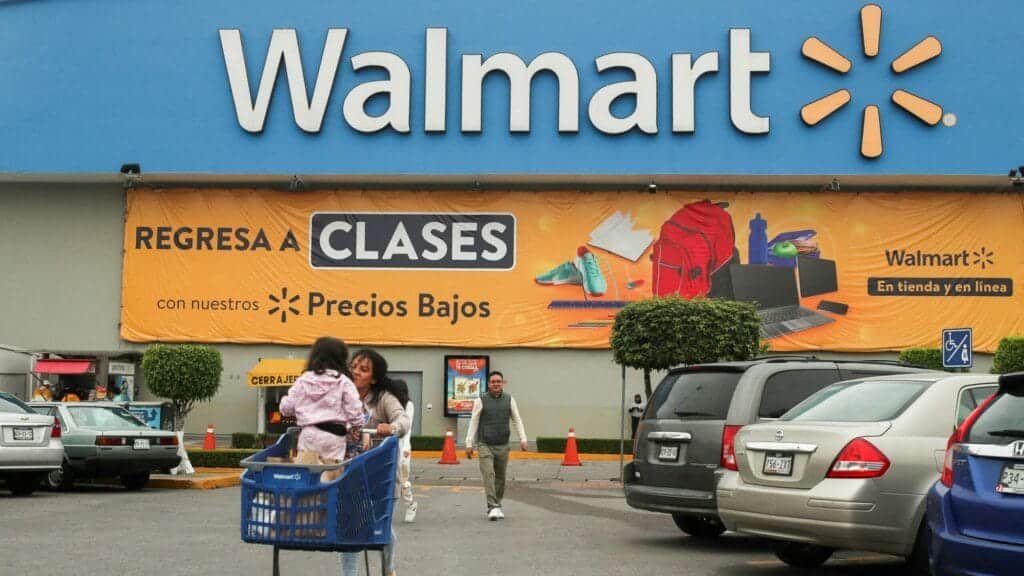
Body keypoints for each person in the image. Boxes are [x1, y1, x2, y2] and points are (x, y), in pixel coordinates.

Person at [341, 348, 410, 576]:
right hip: (351, 475)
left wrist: (392, 427)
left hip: (383, 478)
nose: (356, 372)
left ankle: (388, 569)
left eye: (363, 369)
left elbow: (403, 419)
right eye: (354, 367)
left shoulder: (383, 399)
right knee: (351, 527)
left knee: (381, 529)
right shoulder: (341, 394)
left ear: (374, 377)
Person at [278, 337, 365, 482]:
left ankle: (308, 501)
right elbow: (355, 413)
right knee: (331, 476)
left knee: (306, 478)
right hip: (334, 437)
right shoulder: (343, 381)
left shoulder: (304, 379)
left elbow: (286, 408)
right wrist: (356, 426)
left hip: (308, 435)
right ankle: (326, 500)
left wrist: (300, 408)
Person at [464, 370, 528, 521]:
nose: (496, 384)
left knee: (500, 477)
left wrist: (523, 438)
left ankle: (497, 504)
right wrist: (468, 442)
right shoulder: (481, 400)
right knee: (488, 474)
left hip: (503, 444)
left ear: (502, 383)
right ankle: (492, 506)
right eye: (493, 381)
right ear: (488, 384)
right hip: (485, 443)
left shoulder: (509, 400)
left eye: (498, 381)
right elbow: (474, 421)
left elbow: (517, 420)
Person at [388, 378, 418, 523]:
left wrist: (406, 447)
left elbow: (408, 427)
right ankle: (387, 509)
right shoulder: (389, 405)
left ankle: (410, 504)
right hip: (390, 445)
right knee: (389, 479)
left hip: (403, 446)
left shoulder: (408, 405)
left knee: (403, 480)